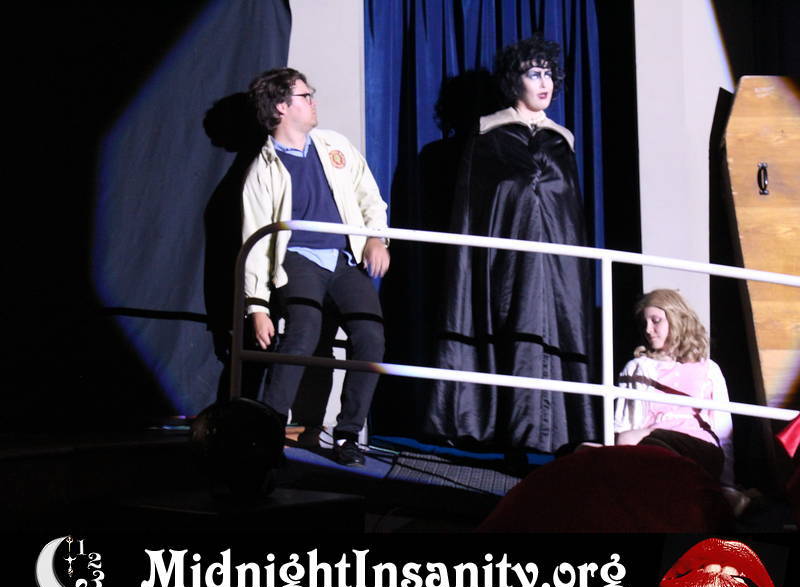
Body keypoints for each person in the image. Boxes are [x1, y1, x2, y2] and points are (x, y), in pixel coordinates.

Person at [424, 35, 597, 453]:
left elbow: (568, 213)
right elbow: (477, 211)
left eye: (549, 74)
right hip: (506, 264)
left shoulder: (562, 141)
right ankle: (508, 429)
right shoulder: (488, 136)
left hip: (557, 270)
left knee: (554, 330)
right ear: (513, 81)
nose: (545, 83)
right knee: (511, 324)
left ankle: (559, 431)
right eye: (534, 74)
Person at [241, 68, 390, 467]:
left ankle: (347, 435)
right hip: (298, 258)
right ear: (281, 106)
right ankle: (267, 430)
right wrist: (257, 306)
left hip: (343, 258)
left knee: (371, 336)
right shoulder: (263, 171)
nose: (313, 102)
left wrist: (376, 238)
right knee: (303, 331)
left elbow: (369, 196)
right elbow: (254, 241)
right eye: (306, 96)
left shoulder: (334, 146)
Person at [614, 289, 735, 487]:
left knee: (633, 442)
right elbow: (623, 423)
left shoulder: (708, 368)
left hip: (697, 445)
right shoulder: (638, 367)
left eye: (656, 321)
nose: (648, 329)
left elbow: (724, 429)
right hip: (649, 444)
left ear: (676, 319)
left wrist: (727, 483)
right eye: (644, 323)